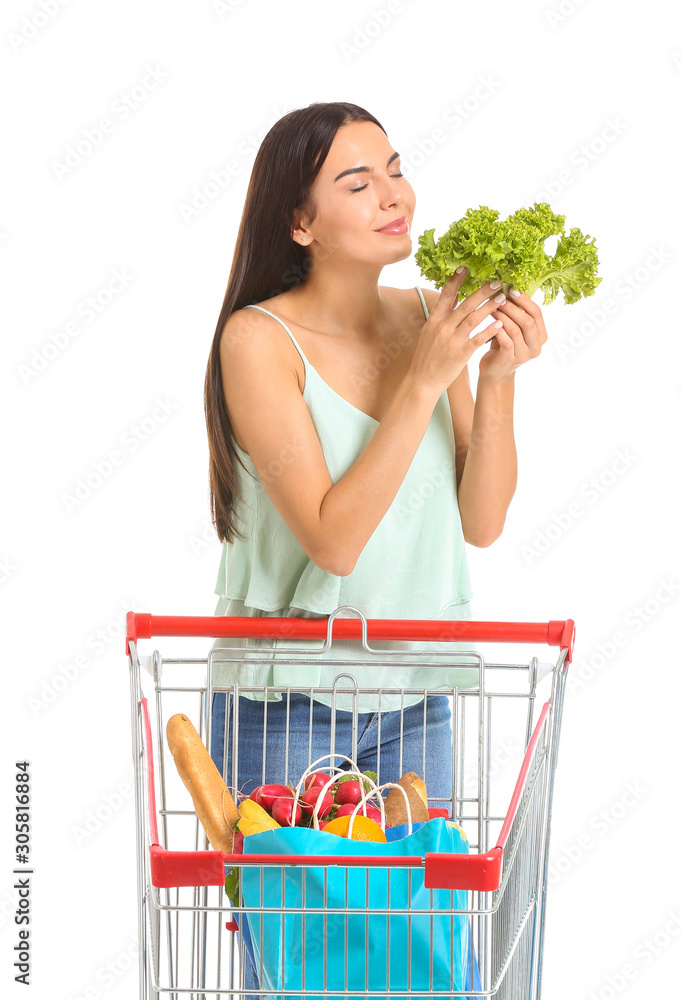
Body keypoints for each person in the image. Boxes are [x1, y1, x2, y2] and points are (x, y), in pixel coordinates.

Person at [203, 101, 547, 993]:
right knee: (296, 962)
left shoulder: (424, 316)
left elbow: (481, 520)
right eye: (358, 183)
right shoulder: (257, 340)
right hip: (286, 698)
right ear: (300, 221)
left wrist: (492, 375)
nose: (394, 195)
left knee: (419, 962)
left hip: (415, 686)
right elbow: (335, 538)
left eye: (395, 169)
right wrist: (424, 376)